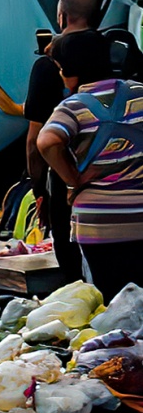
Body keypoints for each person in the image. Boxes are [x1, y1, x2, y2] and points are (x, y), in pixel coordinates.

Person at [0, 0, 111, 280]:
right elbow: (23, 109)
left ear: (61, 17)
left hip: (70, 185)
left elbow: (37, 140)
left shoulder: (50, 67)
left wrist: (40, 191)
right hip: (122, 179)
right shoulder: (114, 54)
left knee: (76, 270)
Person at [38, 29, 143, 300]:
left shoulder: (72, 107)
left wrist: (72, 179)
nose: (61, 75)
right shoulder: (139, 92)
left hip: (99, 225)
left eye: (61, 68)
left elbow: (47, 142)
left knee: (112, 308)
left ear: (73, 70)